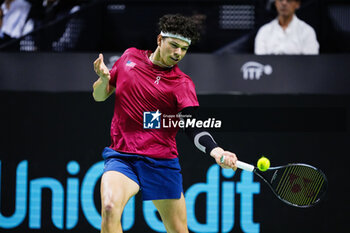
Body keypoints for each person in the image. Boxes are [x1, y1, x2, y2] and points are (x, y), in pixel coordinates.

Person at [92, 14, 238, 233]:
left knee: (178, 230)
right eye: (174, 45)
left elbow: (191, 125)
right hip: (123, 157)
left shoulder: (182, 84)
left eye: (184, 49)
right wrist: (103, 81)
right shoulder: (129, 57)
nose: (178, 53)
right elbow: (99, 96)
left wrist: (215, 150)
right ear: (160, 39)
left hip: (160, 162)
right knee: (110, 209)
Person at [254, 0, 319, 55]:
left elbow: (310, 62)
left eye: (289, 0)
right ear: (275, 3)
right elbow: (260, 60)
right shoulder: (264, 31)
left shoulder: (307, 31)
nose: (284, 3)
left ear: (297, 4)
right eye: (280, 0)